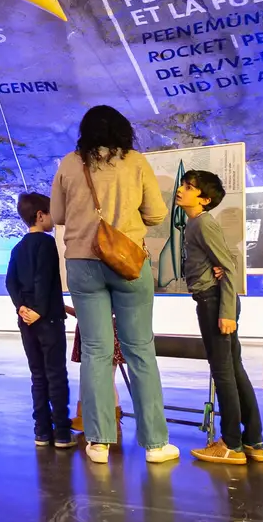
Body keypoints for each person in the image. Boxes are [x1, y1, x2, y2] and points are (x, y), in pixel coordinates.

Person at [49, 104, 176, 466]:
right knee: (140, 351)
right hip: (128, 262)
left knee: (96, 352)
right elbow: (156, 213)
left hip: (82, 263)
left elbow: (57, 216)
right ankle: (155, 444)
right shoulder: (135, 162)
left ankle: (99, 442)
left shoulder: (70, 163)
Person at [177, 170, 263, 465]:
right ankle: (253, 440)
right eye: (184, 185)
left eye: (189, 187)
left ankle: (231, 443)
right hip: (213, 301)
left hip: (215, 303)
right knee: (233, 370)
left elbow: (227, 267)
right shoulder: (195, 224)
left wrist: (227, 312)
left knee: (224, 372)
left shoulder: (203, 224)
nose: (181, 189)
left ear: (204, 199)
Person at [7, 192, 72, 449]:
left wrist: (22, 307)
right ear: (40, 215)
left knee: (38, 375)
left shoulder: (17, 248)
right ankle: (63, 433)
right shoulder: (47, 244)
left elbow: (11, 282)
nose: (54, 218)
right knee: (56, 374)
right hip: (49, 320)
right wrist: (41, 310)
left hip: (27, 322)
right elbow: (44, 280)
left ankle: (42, 431)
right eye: (50, 212)